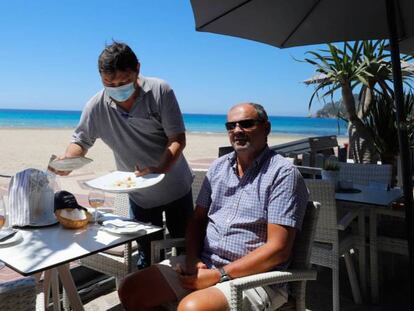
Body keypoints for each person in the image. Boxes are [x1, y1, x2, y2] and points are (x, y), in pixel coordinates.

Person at [118, 103, 309, 311]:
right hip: (206, 264)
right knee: (131, 288)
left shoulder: (282, 173)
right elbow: (197, 220)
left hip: (258, 277)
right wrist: (192, 259)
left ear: (266, 128)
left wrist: (220, 275)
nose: (237, 130)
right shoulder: (219, 167)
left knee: (192, 308)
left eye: (246, 124)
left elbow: (278, 249)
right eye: (231, 126)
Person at [53, 41, 194, 268]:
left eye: (124, 82)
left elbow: (177, 138)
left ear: (137, 69)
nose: (117, 88)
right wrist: (68, 160)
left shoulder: (160, 90)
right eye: (109, 83)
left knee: (187, 251)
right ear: (101, 77)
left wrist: (160, 168)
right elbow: (80, 140)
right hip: (139, 194)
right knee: (148, 258)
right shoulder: (96, 106)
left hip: (176, 187)